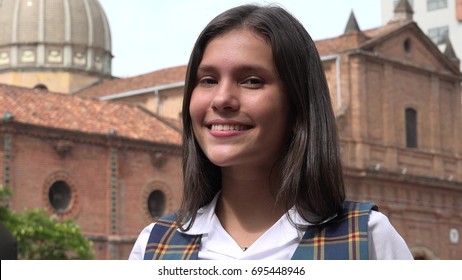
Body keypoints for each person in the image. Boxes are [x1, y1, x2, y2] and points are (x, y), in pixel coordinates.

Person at [129, 4, 413, 260]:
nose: (221, 99)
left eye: (252, 81)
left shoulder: (367, 240)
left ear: (298, 107)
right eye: (208, 80)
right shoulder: (153, 248)